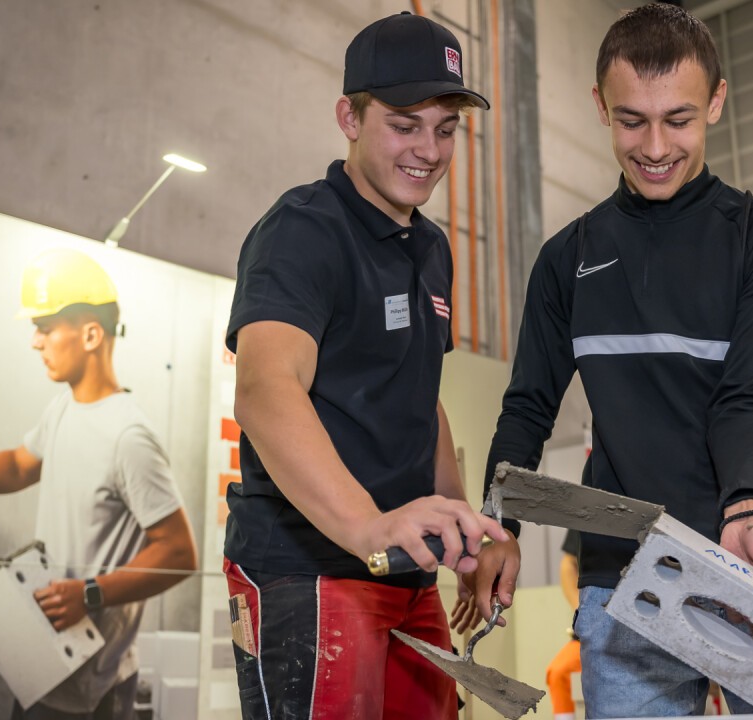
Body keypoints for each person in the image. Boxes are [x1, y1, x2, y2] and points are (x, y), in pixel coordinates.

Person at [476, 4, 753, 714]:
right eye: (631, 120)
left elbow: (747, 394)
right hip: (625, 571)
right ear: (599, 106)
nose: (654, 145)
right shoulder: (568, 258)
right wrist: (500, 525)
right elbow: (528, 406)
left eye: (678, 119)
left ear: (715, 100)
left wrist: (747, 503)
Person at [220, 11, 510, 719]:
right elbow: (264, 389)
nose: (430, 150)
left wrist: (467, 534)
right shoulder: (304, 230)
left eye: (446, 129)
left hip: (404, 577)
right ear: (349, 116)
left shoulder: (432, 248)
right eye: (405, 124)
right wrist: (367, 526)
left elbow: (422, 402)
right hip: (307, 570)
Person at [0, 248, 198, 720]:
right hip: (48, 662)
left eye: (44, 328)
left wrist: (90, 593)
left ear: (90, 334)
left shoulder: (129, 435)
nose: (35, 342)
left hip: (94, 683)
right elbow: (21, 466)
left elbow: (179, 553)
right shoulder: (64, 407)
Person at [546, 530, 583, 720]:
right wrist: (580, 610)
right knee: (559, 671)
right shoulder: (590, 506)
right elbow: (569, 563)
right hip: (594, 624)